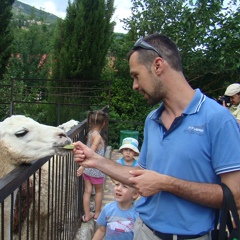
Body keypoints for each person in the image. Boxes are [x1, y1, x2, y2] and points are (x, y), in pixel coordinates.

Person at [73, 33, 240, 239]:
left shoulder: (219, 119)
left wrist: (166, 183)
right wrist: (96, 160)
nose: (134, 85)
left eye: (136, 75)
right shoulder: (152, 119)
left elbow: (236, 196)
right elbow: (140, 177)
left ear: (158, 66)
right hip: (143, 231)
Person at [77, 110, 108, 222]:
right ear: (104, 123)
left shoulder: (90, 133)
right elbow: (91, 152)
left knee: (87, 191)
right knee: (99, 191)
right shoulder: (98, 137)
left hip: (88, 171)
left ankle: (87, 214)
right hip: (96, 169)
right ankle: (97, 214)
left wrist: (84, 167)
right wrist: (82, 166)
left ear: (90, 121)